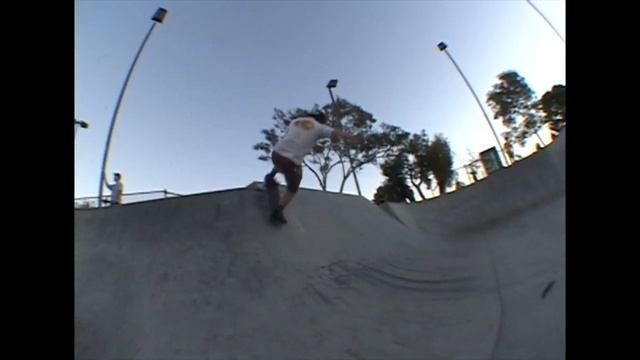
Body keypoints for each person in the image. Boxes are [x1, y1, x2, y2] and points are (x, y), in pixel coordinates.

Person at [264, 111, 362, 223]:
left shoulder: (295, 121)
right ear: (322, 121)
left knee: (283, 160)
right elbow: (335, 134)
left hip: (276, 153)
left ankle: (271, 177)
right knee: (293, 186)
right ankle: (278, 211)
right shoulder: (320, 127)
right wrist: (351, 137)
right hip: (290, 161)